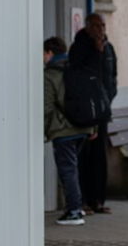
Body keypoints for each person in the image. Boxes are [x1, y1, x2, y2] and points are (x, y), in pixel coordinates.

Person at [43, 36, 92, 226]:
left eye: (43, 54)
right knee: (74, 168)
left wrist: (45, 130)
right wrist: (93, 126)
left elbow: (47, 107)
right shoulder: (77, 67)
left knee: (67, 170)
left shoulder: (50, 74)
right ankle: (78, 205)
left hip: (63, 129)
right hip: (83, 126)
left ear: (50, 53)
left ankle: (74, 211)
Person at [73, 14, 119, 214]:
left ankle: (98, 200)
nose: (101, 29)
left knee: (99, 157)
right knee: (84, 157)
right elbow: (78, 76)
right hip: (85, 113)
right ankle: (82, 200)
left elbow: (112, 77)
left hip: (102, 112)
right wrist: (96, 52)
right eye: (96, 26)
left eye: (103, 25)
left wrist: (107, 100)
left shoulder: (108, 48)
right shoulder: (80, 47)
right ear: (88, 27)